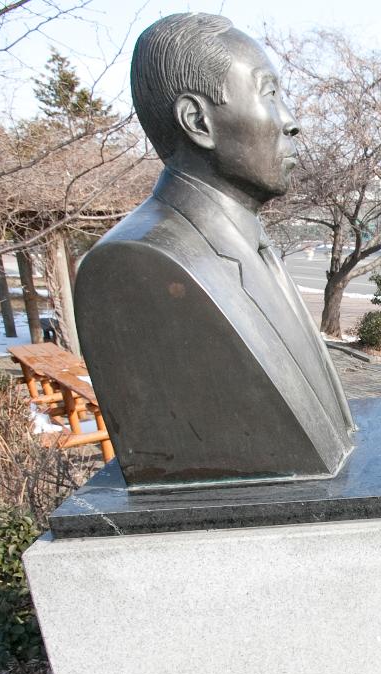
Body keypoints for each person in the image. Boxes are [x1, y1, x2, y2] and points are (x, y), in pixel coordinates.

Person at [74, 12, 355, 488]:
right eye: (269, 94)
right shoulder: (136, 264)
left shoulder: (252, 242)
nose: (291, 121)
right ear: (197, 121)